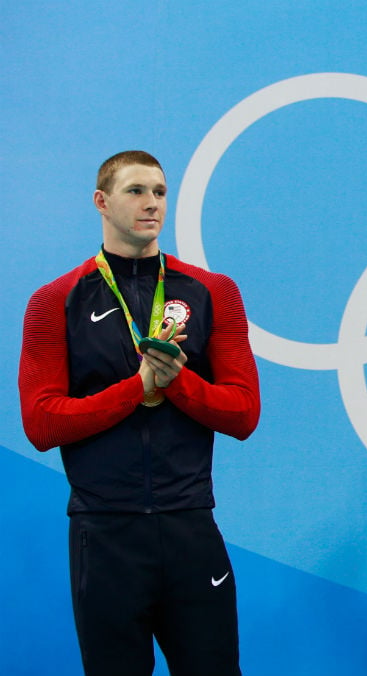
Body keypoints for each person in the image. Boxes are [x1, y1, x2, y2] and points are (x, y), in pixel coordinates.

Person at [18, 150, 261, 675]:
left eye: (159, 192)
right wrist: (137, 389)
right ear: (101, 202)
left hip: (189, 527)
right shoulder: (53, 301)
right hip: (104, 535)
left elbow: (243, 413)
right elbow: (41, 423)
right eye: (136, 191)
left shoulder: (212, 292)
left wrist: (178, 383)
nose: (152, 203)